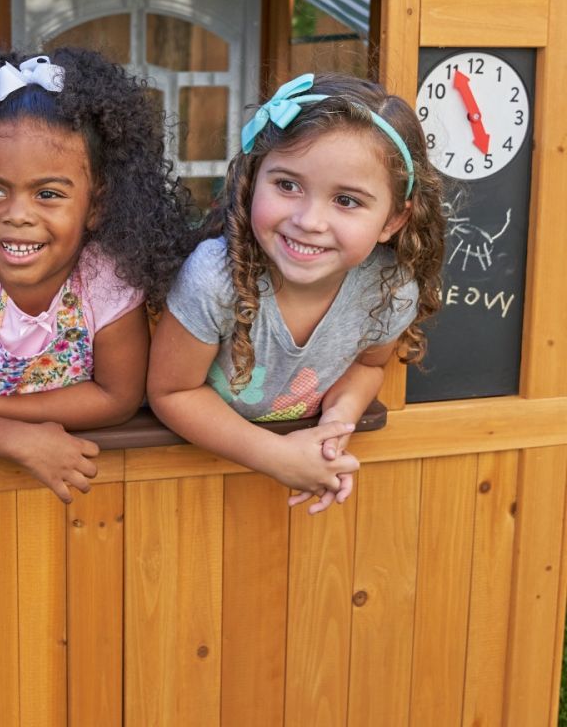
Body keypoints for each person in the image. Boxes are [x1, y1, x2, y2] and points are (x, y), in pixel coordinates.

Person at [0, 48, 195, 503]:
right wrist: (17, 439)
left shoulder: (106, 280)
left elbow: (118, 396)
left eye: (47, 194)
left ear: (97, 205)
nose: (17, 216)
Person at [148, 72, 445, 514]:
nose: (309, 220)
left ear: (392, 222)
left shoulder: (391, 289)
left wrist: (335, 426)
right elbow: (173, 393)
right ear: (252, 180)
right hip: (178, 494)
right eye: (287, 185)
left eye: (346, 201)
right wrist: (278, 457)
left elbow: (367, 366)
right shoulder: (215, 278)